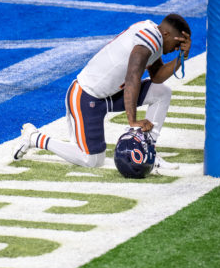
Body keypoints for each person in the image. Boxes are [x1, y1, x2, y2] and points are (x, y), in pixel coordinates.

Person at [13, 13, 192, 172]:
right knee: (92, 160)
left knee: (161, 92)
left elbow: (157, 77)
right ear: (167, 34)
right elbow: (132, 77)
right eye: (178, 43)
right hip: (86, 96)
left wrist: (180, 58)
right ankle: (35, 138)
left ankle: (148, 150)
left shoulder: (154, 37)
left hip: (112, 95)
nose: (177, 47)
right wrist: (133, 121)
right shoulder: (151, 38)